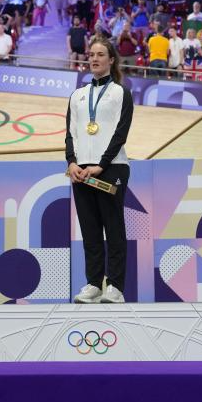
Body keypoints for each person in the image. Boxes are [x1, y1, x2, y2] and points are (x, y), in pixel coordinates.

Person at [67, 38, 133, 305]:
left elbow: (121, 132)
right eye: (91, 54)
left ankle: (115, 286)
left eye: (100, 54)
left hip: (111, 166)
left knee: (113, 228)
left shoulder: (120, 93)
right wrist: (72, 162)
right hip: (81, 170)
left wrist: (102, 164)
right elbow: (70, 133)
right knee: (90, 230)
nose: (94, 58)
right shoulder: (77, 95)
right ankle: (94, 283)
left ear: (111, 60)